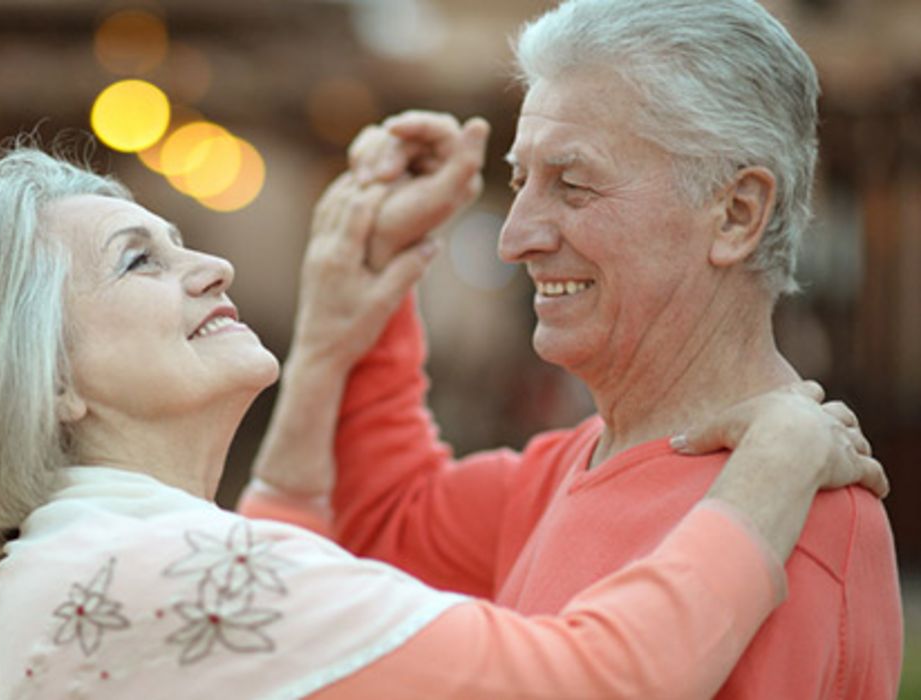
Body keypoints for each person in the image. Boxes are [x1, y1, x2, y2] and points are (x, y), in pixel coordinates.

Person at [0, 143, 884, 699]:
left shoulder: (104, 558)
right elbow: (598, 681)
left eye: (178, 240)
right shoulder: (168, 576)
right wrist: (774, 463)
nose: (208, 263)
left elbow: (279, 571)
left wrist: (342, 325)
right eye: (140, 260)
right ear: (51, 382)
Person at [244, 1, 903, 698]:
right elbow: (375, 526)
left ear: (736, 214)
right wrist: (371, 260)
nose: (513, 238)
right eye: (519, 180)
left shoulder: (807, 517)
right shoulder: (572, 463)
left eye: (572, 184)